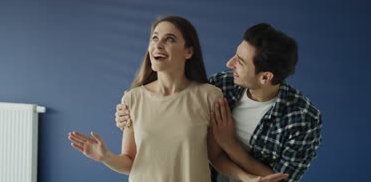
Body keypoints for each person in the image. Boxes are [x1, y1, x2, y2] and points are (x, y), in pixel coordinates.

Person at [69, 16, 288, 182]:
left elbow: (216, 157)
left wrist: (248, 179)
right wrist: (105, 157)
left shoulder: (209, 96)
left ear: (188, 52)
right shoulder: (132, 99)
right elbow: (131, 163)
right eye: (154, 38)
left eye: (169, 39)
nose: (158, 44)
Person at [115, 23, 322, 182]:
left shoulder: (302, 119)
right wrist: (129, 112)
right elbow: (174, 101)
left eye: (240, 62)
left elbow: (279, 179)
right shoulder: (222, 85)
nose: (229, 63)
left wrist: (229, 144)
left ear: (265, 77)